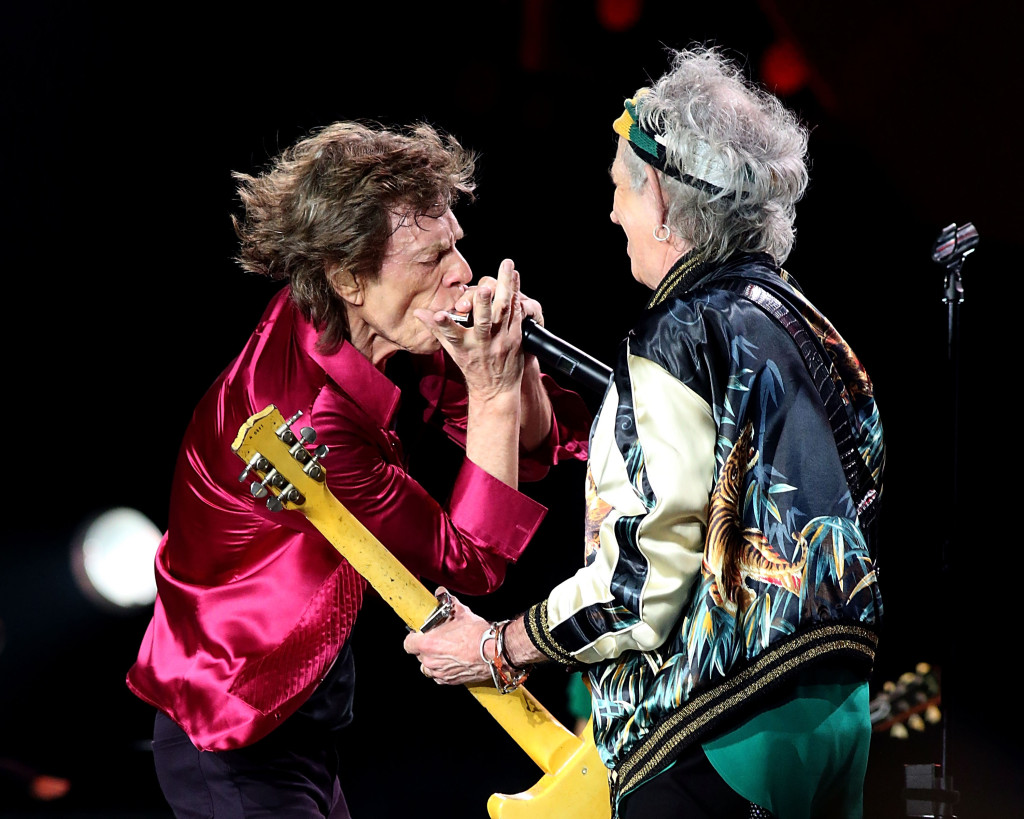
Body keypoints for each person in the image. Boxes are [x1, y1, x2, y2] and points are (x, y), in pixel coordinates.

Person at [404, 45, 885, 819]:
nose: (614, 212)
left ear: (660, 197)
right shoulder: (811, 329)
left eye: (621, 188)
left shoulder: (676, 334)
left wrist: (498, 646)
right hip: (836, 716)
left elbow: (637, 590)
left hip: (717, 732)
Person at [126, 120, 591, 818]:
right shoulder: (306, 418)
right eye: (432, 258)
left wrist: (512, 371)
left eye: (457, 246)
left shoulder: (356, 315)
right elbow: (470, 561)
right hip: (234, 733)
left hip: (302, 723)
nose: (462, 271)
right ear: (348, 275)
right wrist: (495, 389)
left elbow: (540, 439)